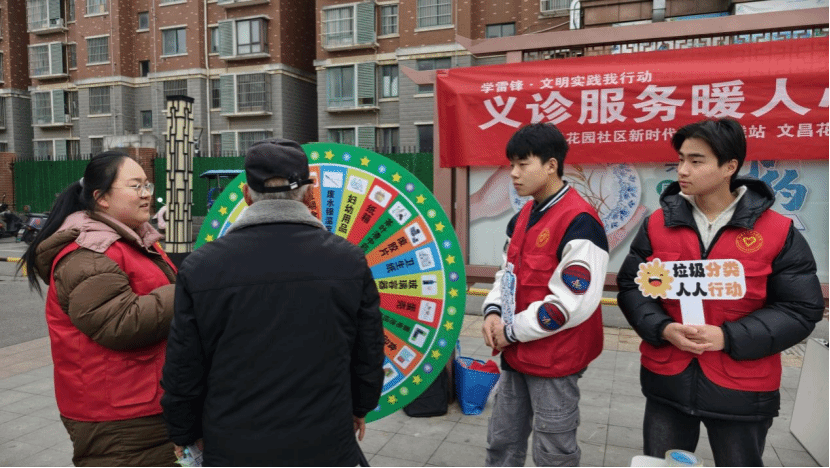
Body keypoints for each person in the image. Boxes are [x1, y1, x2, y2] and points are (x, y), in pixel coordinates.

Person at [160, 138, 385, 466]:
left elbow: (184, 366)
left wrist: (184, 432)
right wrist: (360, 407)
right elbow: (368, 351)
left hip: (232, 445)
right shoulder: (348, 261)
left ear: (246, 195)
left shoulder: (200, 266)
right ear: (309, 194)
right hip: (326, 442)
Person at [616, 118, 824, 466]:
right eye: (681, 159)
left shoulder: (777, 231)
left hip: (742, 390)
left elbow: (800, 309)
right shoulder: (656, 224)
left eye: (696, 161)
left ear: (730, 166)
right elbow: (631, 287)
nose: (683, 170)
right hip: (668, 382)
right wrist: (663, 328)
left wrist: (727, 337)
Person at [19, 151, 177, 466]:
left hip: (140, 403)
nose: (146, 193)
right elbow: (118, 322)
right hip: (118, 415)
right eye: (135, 186)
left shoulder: (132, 240)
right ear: (101, 198)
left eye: (147, 185)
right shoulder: (89, 254)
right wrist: (191, 292)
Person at [481, 123, 609, 467]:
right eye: (511, 164)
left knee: (553, 450)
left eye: (523, 164)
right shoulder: (523, 215)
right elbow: (506, 273)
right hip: (516, 353)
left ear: (551, 165)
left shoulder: (580, 221)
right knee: (502, 441)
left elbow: (571, 304)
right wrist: (493, 312)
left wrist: (509, 331)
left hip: (555, 360)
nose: (513, 173)